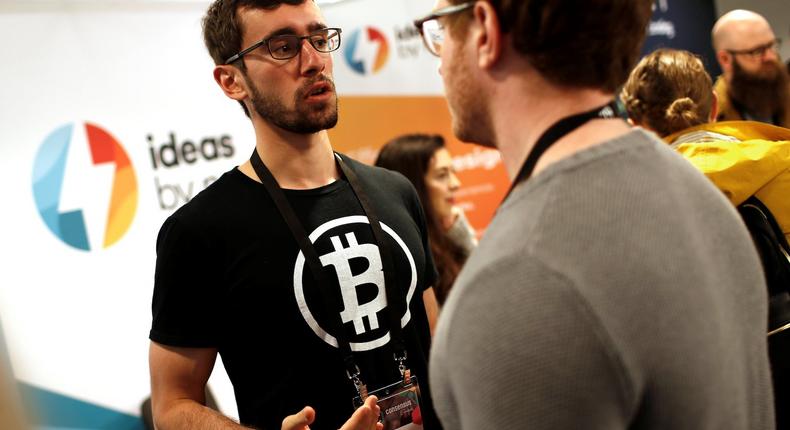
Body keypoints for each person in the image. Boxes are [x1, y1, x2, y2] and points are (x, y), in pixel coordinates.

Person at [413, 0, 775, 428]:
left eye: (440, 30)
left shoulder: (519, 278)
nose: (439, 63)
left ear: (487, 31)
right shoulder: (702, 192)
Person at [148, 1, 442, 429]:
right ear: (231, 81)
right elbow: (171, 405)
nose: (314, 62)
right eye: (283, 47)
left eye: (319, 39)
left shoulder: (395, 190)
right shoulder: (198, 232)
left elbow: (436, 344)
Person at [375, 134, 476, 305]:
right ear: (412, 185)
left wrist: (460, 237)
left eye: (453, 172)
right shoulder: (401, 255)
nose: (455, 183)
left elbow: (484, 288)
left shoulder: (451, 231)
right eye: (442, 175)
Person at [711, 9, 790, 127]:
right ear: (725, 59)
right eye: (757, 51)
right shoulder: (712, 122)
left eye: (772, 45)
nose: (770, 57)